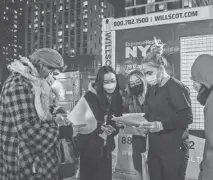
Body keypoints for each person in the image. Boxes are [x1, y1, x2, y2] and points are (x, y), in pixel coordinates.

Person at [0, 48, 83, 180]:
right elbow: (30, 131)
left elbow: (41, 116)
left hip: (41, 164)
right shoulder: (17, 85)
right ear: (41, 64)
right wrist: (64, 131)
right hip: (26, 166)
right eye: (51, 71)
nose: (50, 76)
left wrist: (56, 118)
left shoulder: (35, 83)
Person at [139, 44, 193, 180]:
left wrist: (161, 125)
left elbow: (186, 117)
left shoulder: (177, 87)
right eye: (144, 74)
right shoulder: (152, 89)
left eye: (149, 73)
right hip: (155, 149)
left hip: (173, 150)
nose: (146, 77)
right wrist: (142, 124)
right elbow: (149, 113)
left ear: (161, 68)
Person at [77, 66, 122, 180]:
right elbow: (80, 122)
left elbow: (116, 120)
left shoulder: (117, 97)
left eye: (113, 81)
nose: (110, 84)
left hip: (106, 149)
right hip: (89, 149)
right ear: (100, 82)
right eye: (106, 82)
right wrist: (99, 127)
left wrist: (113, 128)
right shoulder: (89, 96)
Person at [125, 70, 148, 177]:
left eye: (138, 82)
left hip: (153, 140)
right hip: (137, 140)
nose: (135, 86)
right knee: (138, 168)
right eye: (132, 84)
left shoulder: (152, 96)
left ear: (143, 80)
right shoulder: (129, 100)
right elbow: (127, 123)